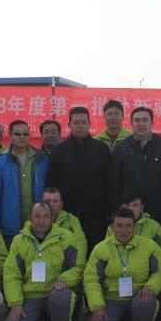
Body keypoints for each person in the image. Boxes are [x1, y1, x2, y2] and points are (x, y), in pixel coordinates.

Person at [3, 202, 83, 321]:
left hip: (55, 292)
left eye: (46, 216)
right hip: (31, 296)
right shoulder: (19, 241)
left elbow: (78, 267)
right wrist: (16, 303)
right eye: (37, 216)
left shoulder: (66, 238)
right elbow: (11, 274)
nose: (41, 220)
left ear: (52, 218)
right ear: (30, 218)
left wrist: (64, 279)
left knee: (62, 296)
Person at [85, 209, 161, 321]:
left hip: (139, 296)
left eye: (128, 225)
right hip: (112, 298)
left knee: (146, 301)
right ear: (112, 227)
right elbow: (91, 278)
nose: (124, 230)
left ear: (134, 227)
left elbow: (159, 272)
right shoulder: (100, 249)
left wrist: (150, 287)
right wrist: (97, 306)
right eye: (119, 225)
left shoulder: (150, 247)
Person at [46, 105, 111, 252]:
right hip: (67, 215)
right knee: (68, 252)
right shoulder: (59, 150)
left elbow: (109, 182)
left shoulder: (101, 149)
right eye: (76, 122)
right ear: (69, 125)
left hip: (96, 215)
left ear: (89, 124)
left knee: (95, 252)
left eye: (84, 122)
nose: (80, 126)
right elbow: (51, 183)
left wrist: (109, 211)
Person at [109, 106, 161, 231]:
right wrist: (116, 208)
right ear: (131, 124)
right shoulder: (121, 148)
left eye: (145, 120)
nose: (141, 124)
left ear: (152, 123)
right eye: (137, 120)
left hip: (160, 208)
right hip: (130, 209)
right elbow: (114, 182)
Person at [0, 120, 49, 244]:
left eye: (25, 134)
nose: (22, 137)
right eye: (17, 134)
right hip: (10, 228)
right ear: (10, 136)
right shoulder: (0, 162)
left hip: (39, 226)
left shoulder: (41, 159)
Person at [107, 191, 161, 255]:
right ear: (121, 207)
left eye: (135, 205)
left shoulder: (154, 227)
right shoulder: (113, 227)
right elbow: (106, 251)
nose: (131, 209)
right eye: (127, 205)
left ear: (141, 208)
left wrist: (153, 261)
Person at [41, 187, 89, 266]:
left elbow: (80, 247)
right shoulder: (31, 223)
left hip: (67, 269)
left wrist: (71, 272)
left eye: (55, 201)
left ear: (61, 204)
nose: (51, 204)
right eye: (47, 201)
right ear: (41, 204)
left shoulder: (72, 221)